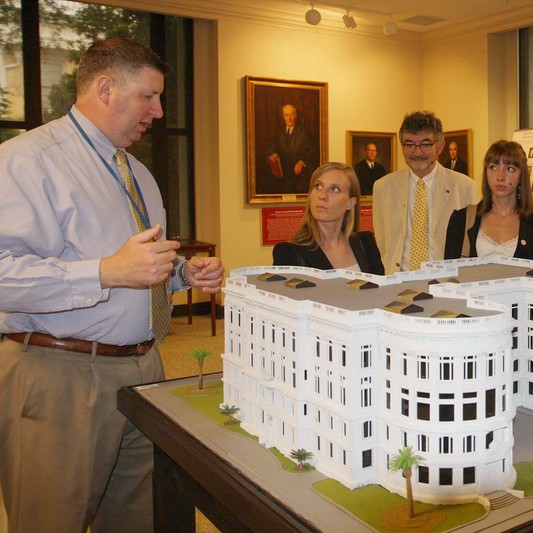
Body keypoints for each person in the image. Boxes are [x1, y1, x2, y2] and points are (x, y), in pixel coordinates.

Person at [0, 37, 226, 532]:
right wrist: (106, 271)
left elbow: (136, 271)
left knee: (139, 519)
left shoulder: (138, 173)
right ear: (105, 88)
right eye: (149, 96)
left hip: (144, 369)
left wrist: (182, 276)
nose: (160, 111)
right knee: (51, 519)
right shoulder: (26, 161)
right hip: (60, 374)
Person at [373, 111, 477, 274]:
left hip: (446, 283)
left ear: (440, 146)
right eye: (409, 144)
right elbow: (382, 244)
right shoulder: (383, 187)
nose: (417, 152)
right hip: (397, 283)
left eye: (426, 144)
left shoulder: (464, 187)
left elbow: (471, 246)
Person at [444, 140, 533, 260]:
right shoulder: (461, 219)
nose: (500, 177)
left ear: (522, 175)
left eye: (510, 169)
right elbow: (449, 273)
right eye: (493, 167)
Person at [273, 162, 384, 274]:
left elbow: (380, 290)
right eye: (318, 186)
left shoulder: (366, 243)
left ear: (350, 202)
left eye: (335, 189)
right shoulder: (289, 252)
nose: (322, 195)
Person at [266, 104, 315, 194]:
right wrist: (273, 153)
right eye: (286, 115)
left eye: (291, 114)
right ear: (283, 116)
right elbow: (271, 147)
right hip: (281, 173)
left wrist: (301, 162)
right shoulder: (279, 132)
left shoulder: (303, 132)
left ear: (295, 115)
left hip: (297, 175)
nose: (289, 118)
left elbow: (310, 153)